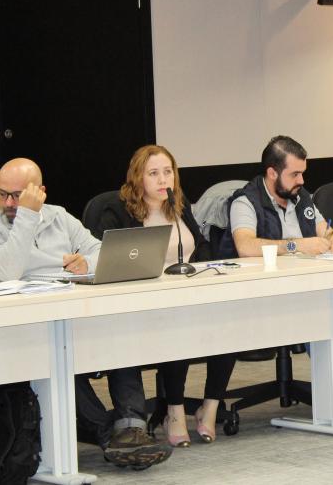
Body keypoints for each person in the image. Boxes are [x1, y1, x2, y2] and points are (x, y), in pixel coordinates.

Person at [0, 158, 172, 469]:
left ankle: (132, 428)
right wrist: (26, 215)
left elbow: (100, 249)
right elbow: (9, 270)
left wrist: (86, 263)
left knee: (120, 334)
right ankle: (110, 436)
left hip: (70, 308)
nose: (8, 203)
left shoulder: (59, 217)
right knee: (59, 356)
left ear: (40, 192)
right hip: (24, 328)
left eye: (17, 195)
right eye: (2, 194)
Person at [226, 136, 333, 429]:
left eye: (302, 173)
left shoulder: (301, 198)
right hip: (268, 295)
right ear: (272, 173)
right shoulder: (245, 202)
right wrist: (297, 245)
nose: (301, 180)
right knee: (326, 311)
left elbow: (325, 230)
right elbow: (245, 246)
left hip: (309, 287)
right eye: (294, 174)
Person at [93, 145, 236, 446]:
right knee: (178, 325)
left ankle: (210, 406)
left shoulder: (178, 205)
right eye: (153, 173)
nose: (163, 180)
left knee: (228, 324)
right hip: (141, 304)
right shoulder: (118, 211)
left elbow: (201, 246)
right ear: (138, 177)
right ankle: (174, 410)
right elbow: (107, 259)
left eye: (168, 172)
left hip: (187, 294)